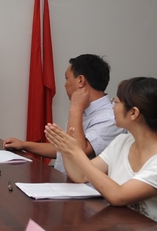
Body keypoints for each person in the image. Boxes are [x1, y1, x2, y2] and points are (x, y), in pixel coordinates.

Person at [46, 77, 157, 221]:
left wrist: (77, 152)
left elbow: (118, 196)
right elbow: (80, 175)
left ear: (133, 113)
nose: (112, 107)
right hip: (116, 226)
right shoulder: (122, 142)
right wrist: (66, 149)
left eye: (116, 102)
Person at [3, 54, 125, 174]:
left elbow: (77, 150)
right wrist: (24, 145)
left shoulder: (111, 117)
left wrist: (75, 108)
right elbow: (64, 148)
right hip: (64, 181)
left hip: (85, 186)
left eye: (67, 78)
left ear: (80, 81)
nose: (65, 85)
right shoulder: (82, 109)